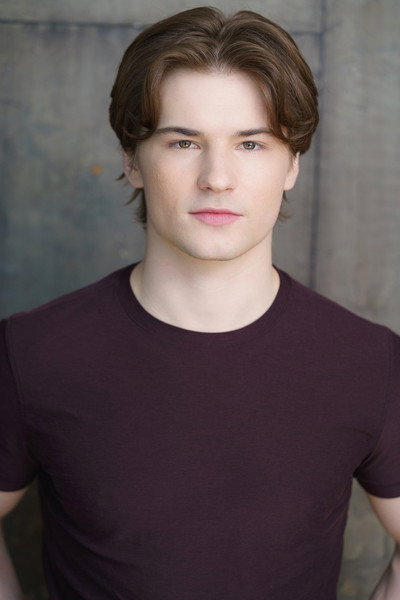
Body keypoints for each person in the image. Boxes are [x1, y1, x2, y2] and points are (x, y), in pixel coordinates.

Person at [0, 6, 399, 599]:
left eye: (251, 143)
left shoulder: (370, 361)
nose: (217, 177)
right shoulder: (33, 352)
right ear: (132, 160)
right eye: (184, 141)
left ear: (292, 164)